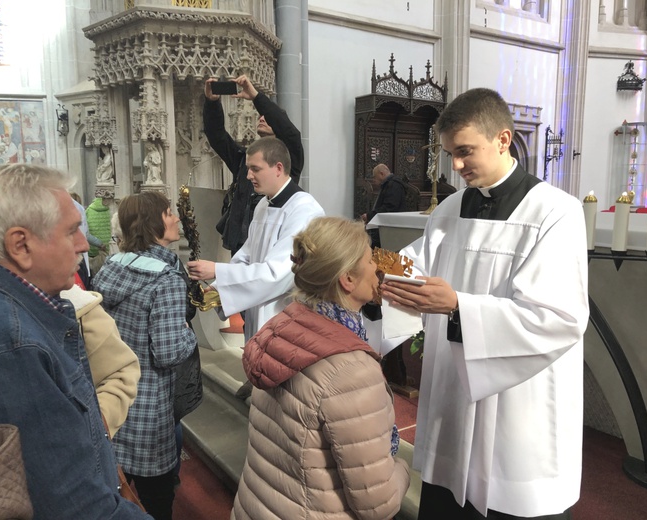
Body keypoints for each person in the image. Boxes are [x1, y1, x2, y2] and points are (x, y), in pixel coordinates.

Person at [380, 88, 589, 520]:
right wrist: (369, 269)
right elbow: (415, 268)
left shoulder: (555, 212)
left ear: (503, 139)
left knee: (505, 493)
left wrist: (459, 307)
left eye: (465, 151)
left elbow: (560, 318)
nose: (455, 166)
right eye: (450, 154)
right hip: (454, 392)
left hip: (518, 399)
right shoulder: (451, 208)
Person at [0, 163, 151, 519]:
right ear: (21, 245)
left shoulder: (5, 306)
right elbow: (74, 506)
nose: (83, 243)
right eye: (72, 231)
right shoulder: (13, 344)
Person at [232, 216, 410, 520]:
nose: (378, 269)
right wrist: (404, 468)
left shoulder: (282, 326)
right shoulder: (351, 371)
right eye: (370, 260)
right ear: (348, 280)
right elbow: (378, 502)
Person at [92, 191, 197, 520]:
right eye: (169, 213)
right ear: (154, 223)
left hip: (114, 400)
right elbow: (168, 353)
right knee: (155, 504)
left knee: (116, 495)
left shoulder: (112, 266)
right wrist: (187, 334)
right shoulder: (165, 280)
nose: (177, 218)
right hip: (150, 412)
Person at [187, 136, 324, 340]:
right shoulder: (263, 205)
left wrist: (217, 270)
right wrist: (215, 290)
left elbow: (278, 273)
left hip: (285, 314)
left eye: (255, 169)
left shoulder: (304, 210)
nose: (249, 175)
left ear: (278, 168)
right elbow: (246, 255)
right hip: (257, 309)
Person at [203, 74, 305, 255]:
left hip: (272, 246)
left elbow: (291, 134)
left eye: (268, 117)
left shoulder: (289, 160)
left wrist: (256, 97)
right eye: (260, 116)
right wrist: (212, 103)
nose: (262, 118)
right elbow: (217, 136)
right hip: (241, 246)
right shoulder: (244, 160)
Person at [60, 283, 141, 438]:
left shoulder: (80, 305)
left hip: (86, 443)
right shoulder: (169, 282)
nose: (79, 256)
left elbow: (119, 373)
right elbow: (168, 352)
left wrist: (96, 429)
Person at [361, 163, 406, 248]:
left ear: (382, 174)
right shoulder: (388, 184)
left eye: (375, 177)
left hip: (390, 228)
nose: (374, 180)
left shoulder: (394, 185)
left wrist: (369, 216)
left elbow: (389, 208)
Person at [85, 196, 111, 276]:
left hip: (92, 248)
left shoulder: (89, 210)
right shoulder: (111, 210)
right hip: (108, 248)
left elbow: (85, 231)